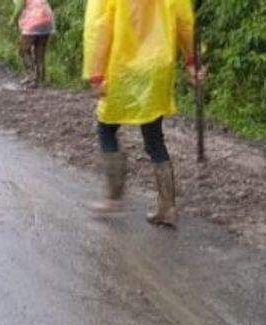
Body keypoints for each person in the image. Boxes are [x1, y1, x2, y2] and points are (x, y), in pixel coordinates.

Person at [83, 0, 203, 226]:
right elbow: (184, 21)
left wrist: (96, 71)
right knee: (154, 136)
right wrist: (191, 60)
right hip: (157, 66)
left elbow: (101, 25)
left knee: (106, 127)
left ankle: (114, 198)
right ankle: (167, 207)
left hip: (122, 67)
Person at [10, 0, 55, 87]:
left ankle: (31, 76)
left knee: (23, 50)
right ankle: (40, 80)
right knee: (39, 54)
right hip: (47, 20)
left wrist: (12, 20)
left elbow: (19, 7)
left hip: (33, 20)